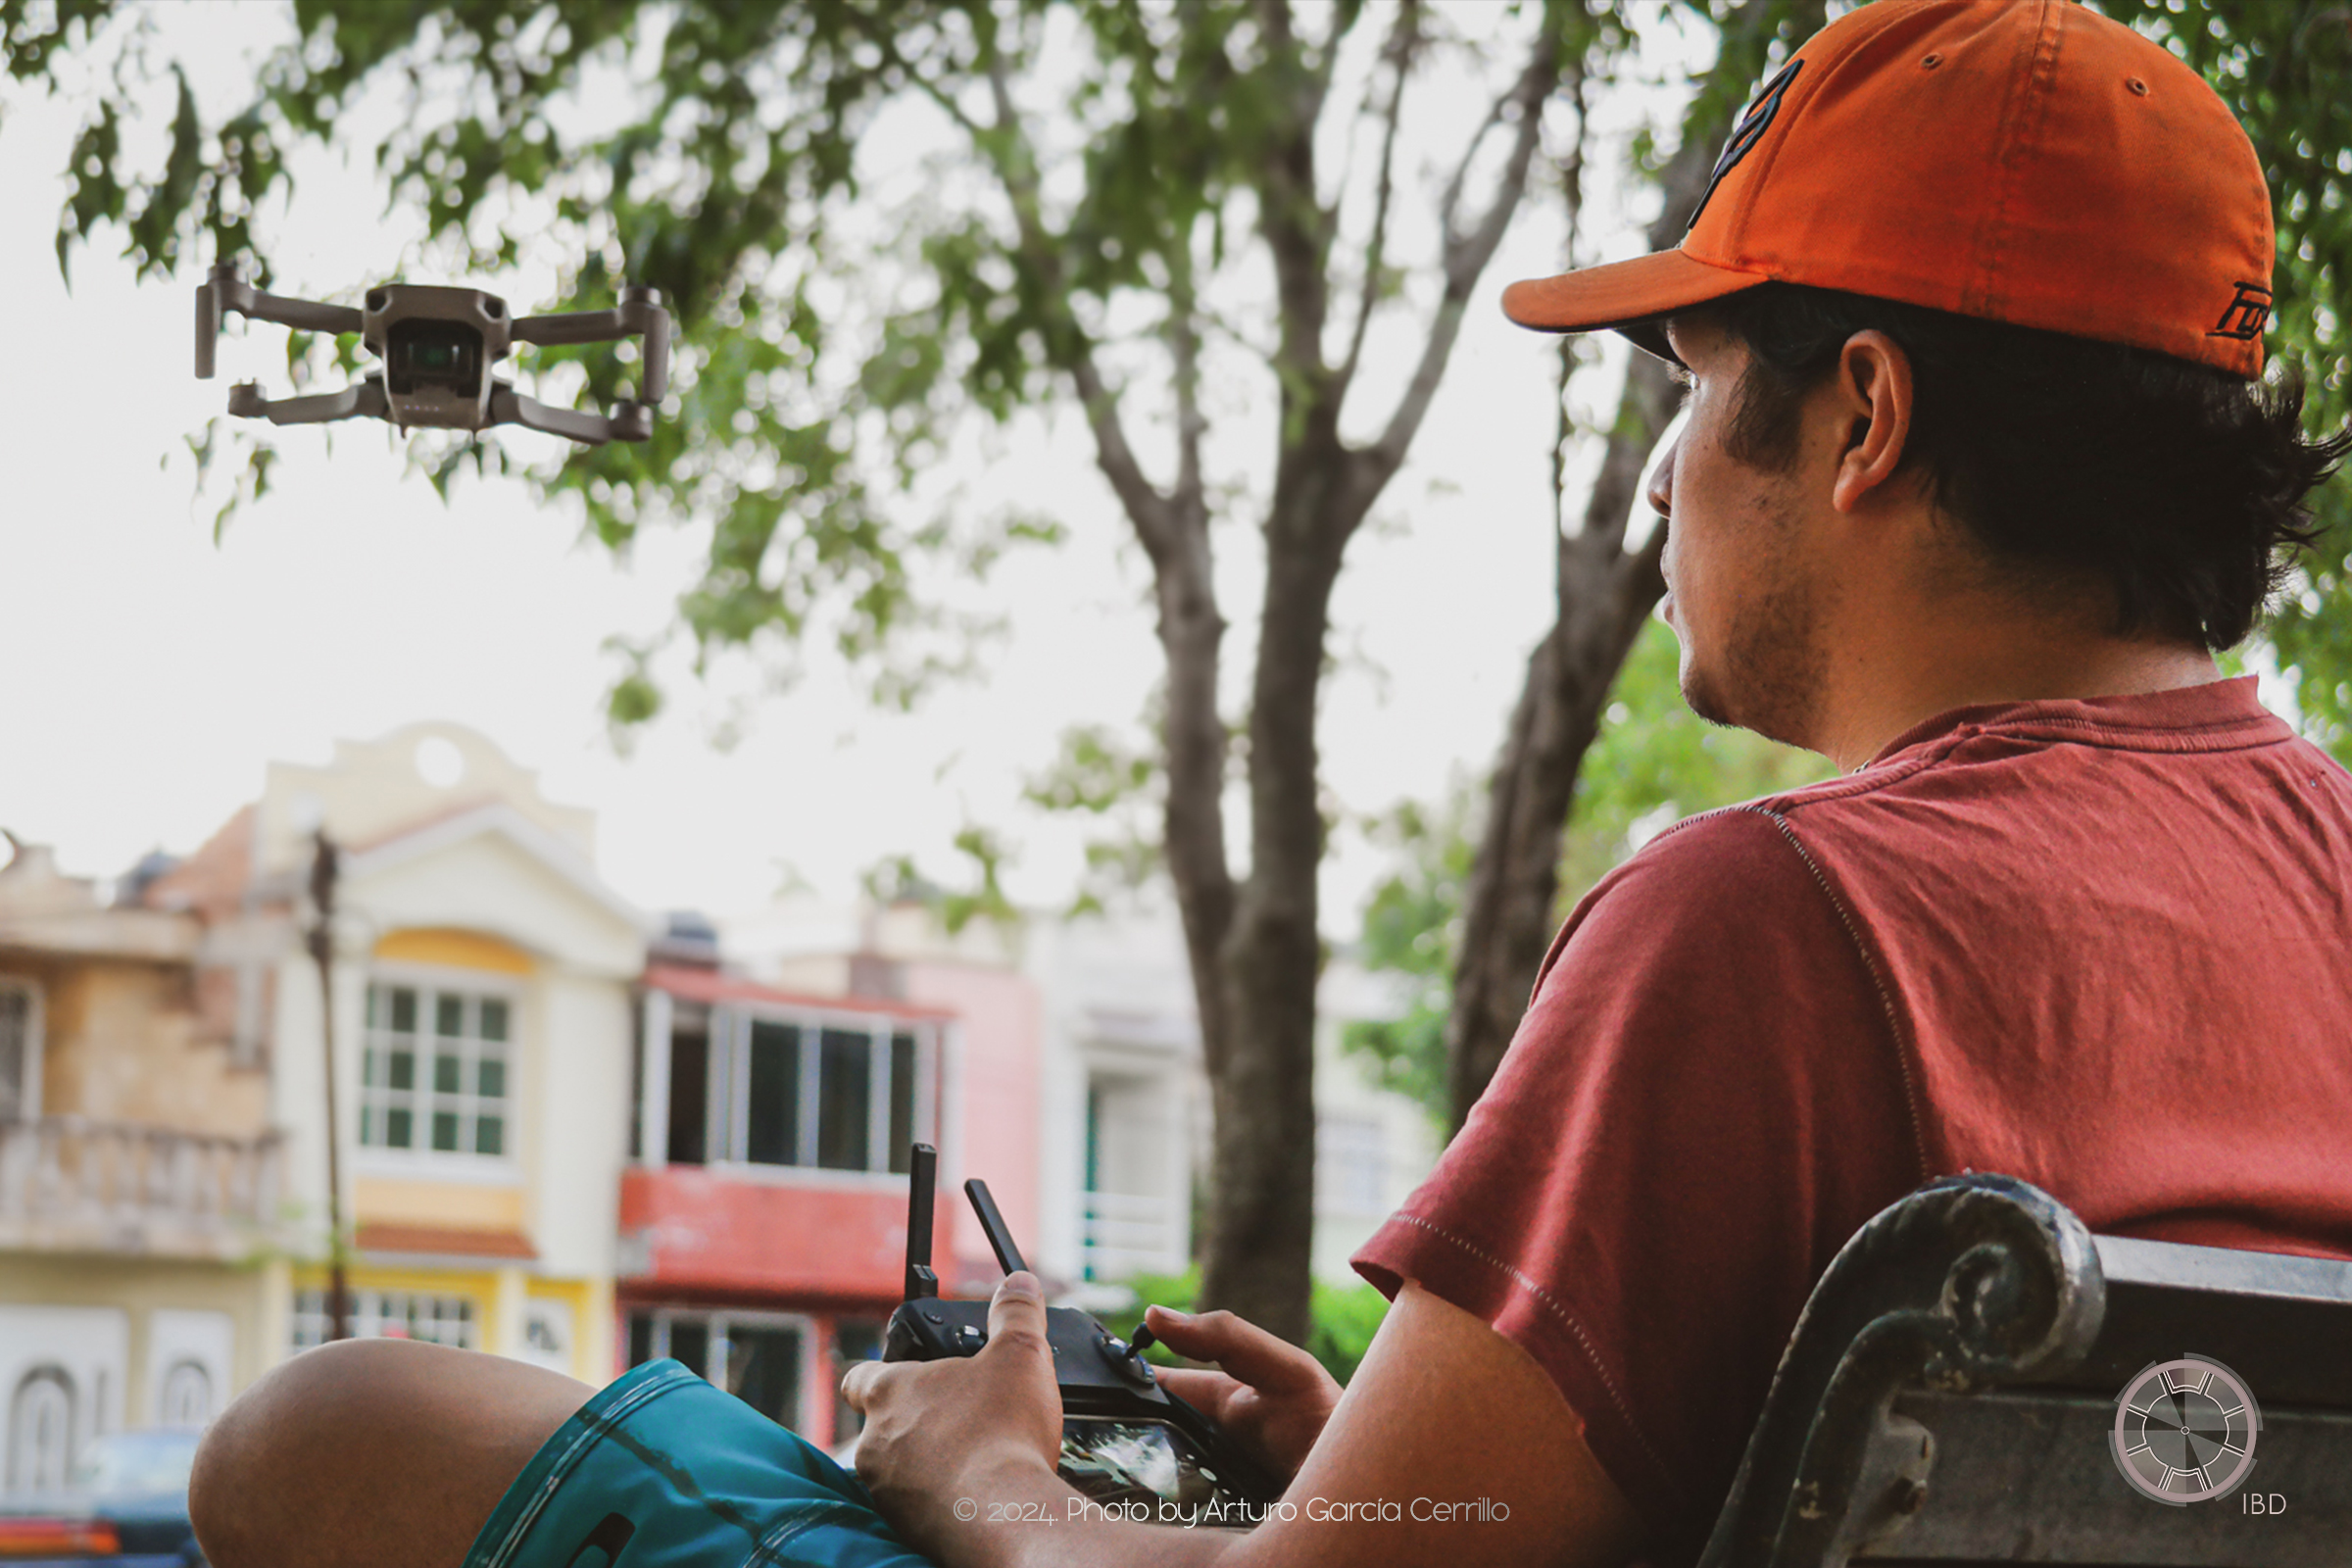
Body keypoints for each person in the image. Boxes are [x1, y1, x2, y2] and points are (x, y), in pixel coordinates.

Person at [187, 4, 2352, 1568]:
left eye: (1693, 390)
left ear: (1861, 413)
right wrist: (1406, 1470)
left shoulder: (1779, 923)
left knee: (336, 1425)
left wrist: (994, 1476)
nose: (1674, 467)